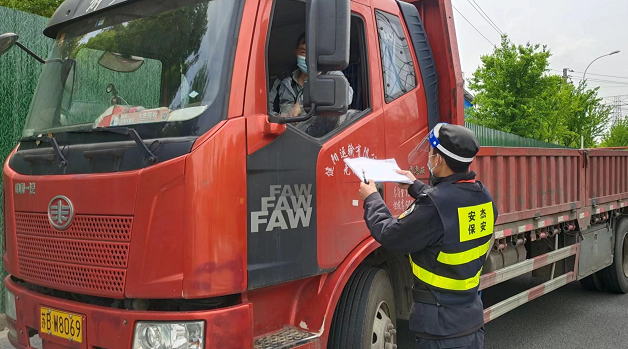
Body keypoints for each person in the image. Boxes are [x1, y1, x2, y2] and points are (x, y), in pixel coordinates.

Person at [358, 123, 498, 349]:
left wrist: (372, 198)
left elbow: (391, 235)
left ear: (439, 160)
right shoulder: (483, 196)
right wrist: (415, 186)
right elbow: (449, 213)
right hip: (470, 320)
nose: (429, 158)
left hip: (441, 328)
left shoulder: (434, 206)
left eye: (431, 154)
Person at [268, 32, 353, 117]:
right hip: (286, 130)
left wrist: (302, 108)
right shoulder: (282, 81)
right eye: (303, 52)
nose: (308, 58)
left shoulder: (333, 76)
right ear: (296, 52)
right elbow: (267, 111)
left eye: (313, 53)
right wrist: (281, 118)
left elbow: (345, 98)